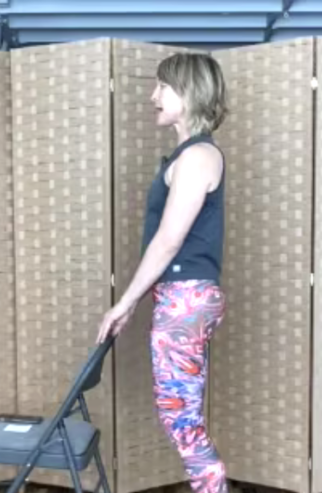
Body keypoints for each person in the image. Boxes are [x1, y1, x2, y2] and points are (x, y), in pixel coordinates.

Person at [96, 52, 229, 493]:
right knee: (180, 413)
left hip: (185, 297)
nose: (153, 96)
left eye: (162, 87)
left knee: (180, 416)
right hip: (182, 296)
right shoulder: (190, 154)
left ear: (189, 93)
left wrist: (125, 301)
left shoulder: (198, 157)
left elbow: (169, 239)